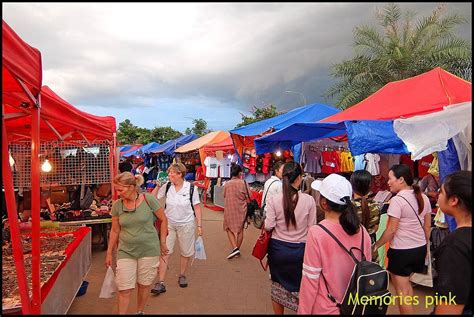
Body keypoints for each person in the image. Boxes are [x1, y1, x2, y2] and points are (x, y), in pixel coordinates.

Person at [298, 174, 371, 314]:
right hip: (354, 307)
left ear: (323, 202)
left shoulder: (317, 233)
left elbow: (310, 280)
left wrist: (303, 312)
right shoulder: (362, 231)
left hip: (326, 308)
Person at [105, 172, 168, 315]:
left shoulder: (149, 199)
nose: (118, 193)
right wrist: (109, 253)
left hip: (149, 250)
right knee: (124, 288)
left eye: (121, 190)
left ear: (132, 187)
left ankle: (140, 311)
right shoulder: (117, 206)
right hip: (125, 251)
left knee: (144, 285)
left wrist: (162, 242)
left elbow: (163, 219)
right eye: (117, 190)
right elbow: (115, 231)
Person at [373, 164, 431, 315]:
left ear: (401, 179)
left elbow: (391, 230)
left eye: (391, 178)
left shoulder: (397, 201)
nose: (388, 182)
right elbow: (427, 227)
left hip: (401, 252)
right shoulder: (423, 197)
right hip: (419, 249)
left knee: (402, 292)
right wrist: (425, 248)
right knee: (406, 287)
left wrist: (376, 244)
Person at [264, 161, 316, 314]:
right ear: (299, 178)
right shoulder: (309, 201)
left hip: (277, 250)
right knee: (301, 289)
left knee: (277, 287)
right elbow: (312, 229)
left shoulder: (274, 200)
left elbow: (268, 226)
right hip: (300, 252)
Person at [151, 163, 202, 294]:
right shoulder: (167, 186)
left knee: (185, 251)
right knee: (165, 251)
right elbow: (152, 198)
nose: (169, 175)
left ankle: (182, 275)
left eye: (172, 172)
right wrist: (157, 185)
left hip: (186, 224)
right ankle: (161, 282)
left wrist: (199, 225)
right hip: (168, 224)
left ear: (180, 174)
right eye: (169, 172)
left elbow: (196, 207)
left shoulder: (191, 188)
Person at [433, 170, 471, 315]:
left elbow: (450, 306)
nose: (438, 195)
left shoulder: (455, 246)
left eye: (441, 192)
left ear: (454, 200)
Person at [350, 170, 381, 262]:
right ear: (370, 186)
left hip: (351, 250)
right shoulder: (376, 205)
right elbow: (376, 228)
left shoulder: (347, 207)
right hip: (370, 250)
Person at [223, 163, 249, 259]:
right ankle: (237, 249)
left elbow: (224, 195)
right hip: (242, 209)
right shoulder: (244, 183)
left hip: (230, 208)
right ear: (239, 173)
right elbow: (249, 196)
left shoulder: (227, 184)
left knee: (228, 228)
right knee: (240, 230)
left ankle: (235, 248)